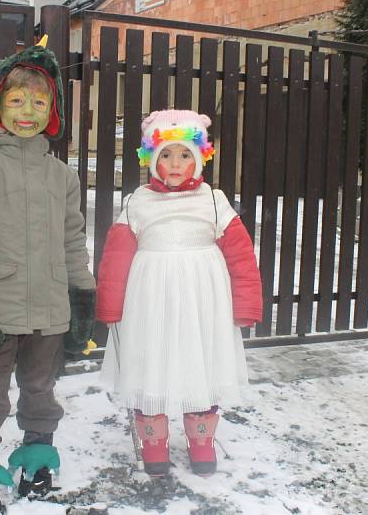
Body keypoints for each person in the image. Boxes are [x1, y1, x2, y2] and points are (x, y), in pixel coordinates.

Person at [0, 36, 96, 514]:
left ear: (52, 111)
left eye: (39, 101)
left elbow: (73, 240)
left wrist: (81, 295)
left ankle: (37, 454)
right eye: (17, 100)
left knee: (41, 388)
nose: (27, 111)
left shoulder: (62, 176)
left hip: (49, 309)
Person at [96, 109, 262, 478]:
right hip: (149, 300)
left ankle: (200, 438)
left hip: (204, 300)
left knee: (198, 360)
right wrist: (110, 305)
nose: (175, 164)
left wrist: (246, 302)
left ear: (200, 157)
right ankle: (153, 439)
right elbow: (117, 256)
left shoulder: (214, 201)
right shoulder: (138, 202)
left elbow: (240, 255)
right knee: (150, 360)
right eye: (166, 155)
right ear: (151, 161)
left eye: (184, 154)